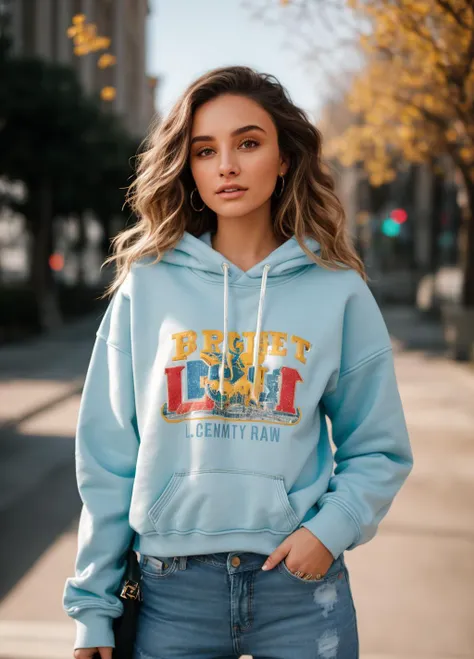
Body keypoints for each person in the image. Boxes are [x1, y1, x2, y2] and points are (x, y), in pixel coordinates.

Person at [64, 65, 414, 659]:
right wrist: (93, 607)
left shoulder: (336, 290)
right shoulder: (146, 287)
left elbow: (378, 447)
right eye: (206, 150)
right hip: (171, 592)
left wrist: (326, 535)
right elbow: (107, 458)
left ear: (283, 159)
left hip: (300, 589)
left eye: (248, 143)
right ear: (189, 166)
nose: (226, 164)